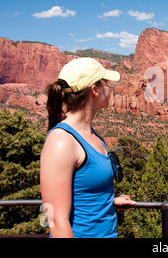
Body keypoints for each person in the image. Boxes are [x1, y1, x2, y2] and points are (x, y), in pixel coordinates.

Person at [40, 57, 135, 238]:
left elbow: (83, 191)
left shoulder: (91, 135)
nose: (110, 88)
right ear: (95, 90)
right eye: (106, 83)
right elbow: (54, 220)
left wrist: (108, 202)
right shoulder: (61, 142)